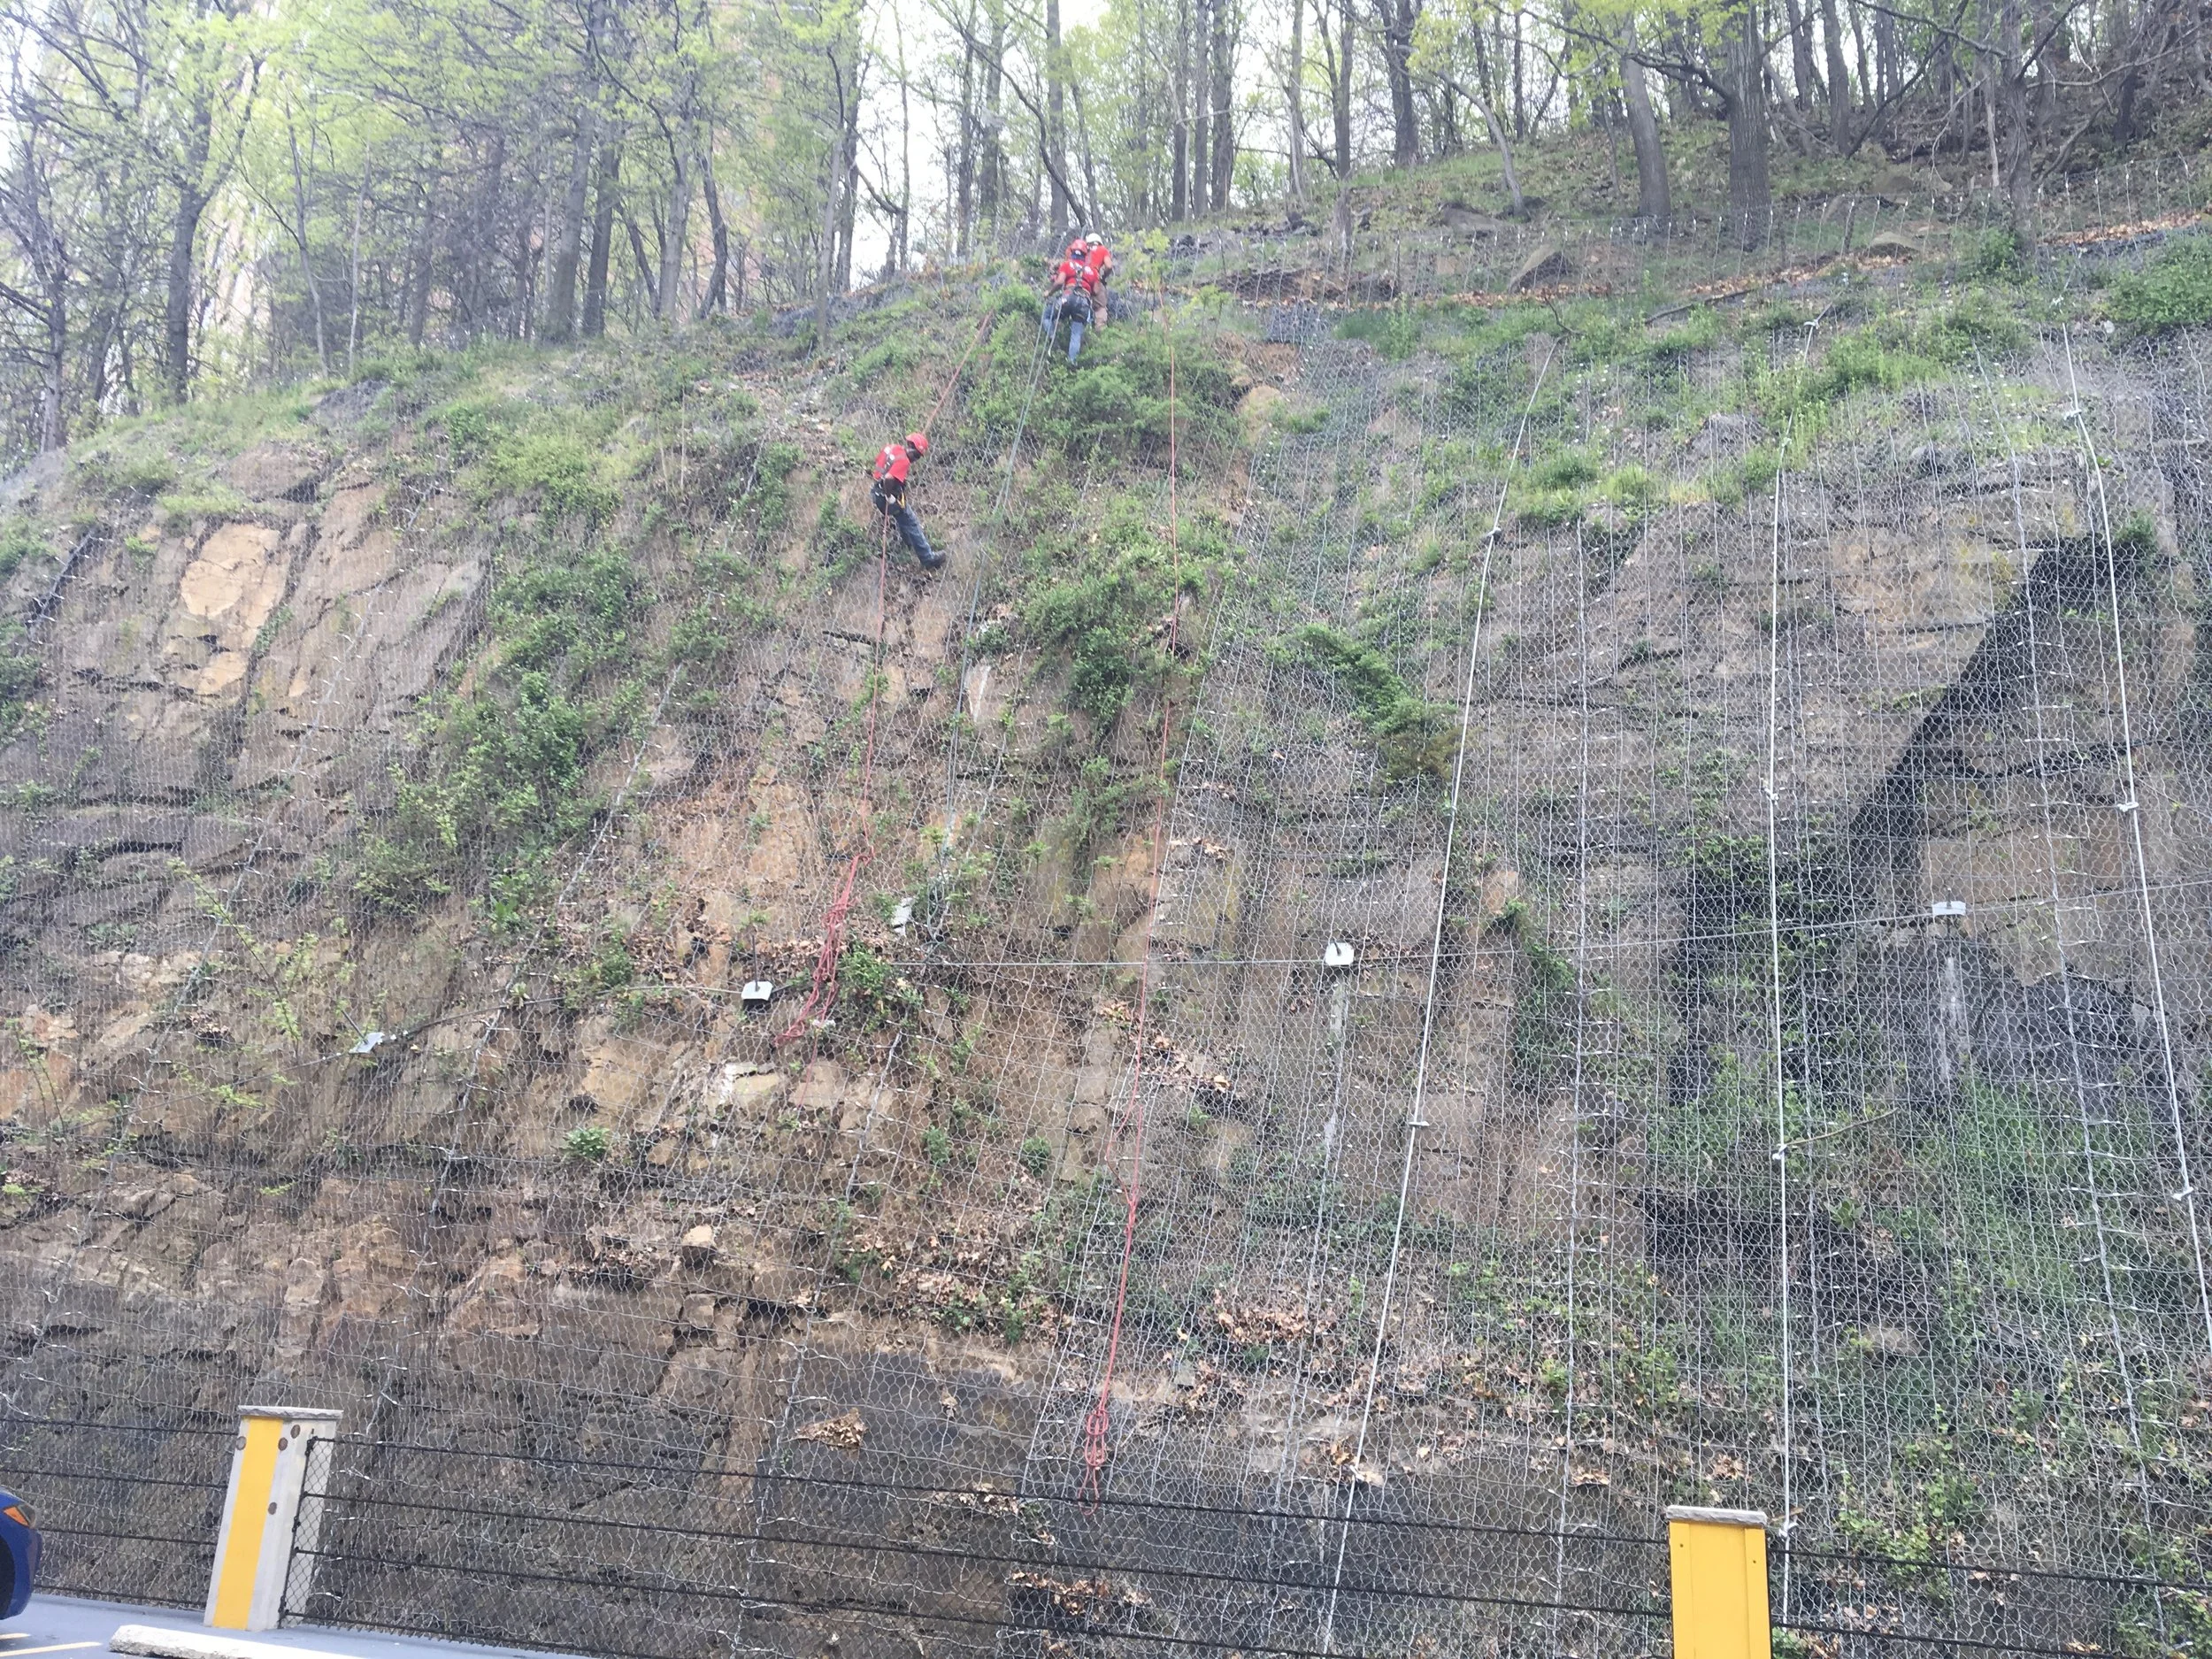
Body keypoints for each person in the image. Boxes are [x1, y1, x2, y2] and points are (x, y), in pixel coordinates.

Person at [870, 432, 942, 570]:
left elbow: (879, 463)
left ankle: (907, 543)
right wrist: (889, 497)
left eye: (918, 458)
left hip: (876, 491)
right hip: (885, 496)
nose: (914, 460)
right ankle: (928, 558)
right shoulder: (904, 461)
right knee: (911, 521)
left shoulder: (892, 448)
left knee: (903, 515)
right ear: (911, 446)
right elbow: (889, 479)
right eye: (916, 455)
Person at [1042, 242, 1096, 367]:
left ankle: (1052, 337)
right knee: (1076, 333)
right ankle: (1072, 362)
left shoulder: (1067, 265)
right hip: (1083, 302)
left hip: (1068, 297)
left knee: (1047, 315)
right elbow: (1095, 291)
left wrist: (1048, 293)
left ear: (1071, 252)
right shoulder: (1091, 271)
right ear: (1085, 254)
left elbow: (1059, 282)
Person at [1081, 232, 1114, 328]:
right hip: (1095, 278)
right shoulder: (1103, 250)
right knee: (1100, 306)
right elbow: (1109, 266)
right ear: (1099, 242)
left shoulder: (1083, 249)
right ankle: (1100, 329)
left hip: (1082, 278)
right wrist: (1103, 277)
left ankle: (1083, 327)